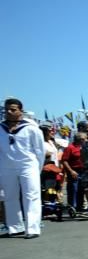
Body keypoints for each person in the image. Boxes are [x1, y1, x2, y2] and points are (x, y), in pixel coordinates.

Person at [0, 98, 45, 238]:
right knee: (10, 197)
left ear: (20, 111)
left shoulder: (31, 128)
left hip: (28, 165)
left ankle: (32, 228)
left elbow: (40, 151)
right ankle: (15, 227)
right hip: (6, 166)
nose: (8, 112)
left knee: (31, 196)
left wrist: (37, 168)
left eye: (13, 109)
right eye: (6, 109)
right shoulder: (1, 128)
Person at [61, 132, 86, 215]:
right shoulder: (70, 148)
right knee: (73, 189)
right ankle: (72, 207)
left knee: (81, 189)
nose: (85, 140)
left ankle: (80, 207)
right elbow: (64, 160)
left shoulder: (84, 147)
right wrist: (71, 171)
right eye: (83, 139)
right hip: (74, 171)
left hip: (83, 171)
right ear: (78, 139)